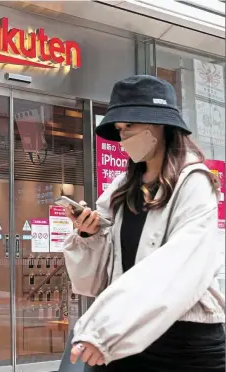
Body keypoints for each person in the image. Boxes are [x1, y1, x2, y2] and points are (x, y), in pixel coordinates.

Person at [64, 75, 225, 371]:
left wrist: (104, 329)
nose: (123, 136)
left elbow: (180, 265)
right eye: (120, 128)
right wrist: (88, 234)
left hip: (182, 343)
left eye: (130, 125)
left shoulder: (195, 182)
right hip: (125, 336)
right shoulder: (123, 186)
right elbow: (92, 280)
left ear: (158, 124)